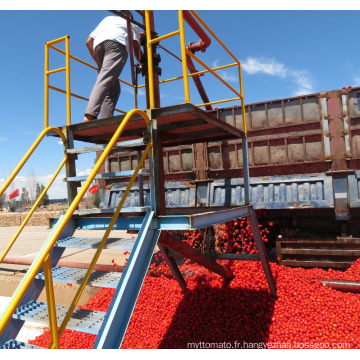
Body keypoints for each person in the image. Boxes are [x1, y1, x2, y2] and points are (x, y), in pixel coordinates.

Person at [83, 11, 143, 122]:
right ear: (129, 15)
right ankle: (89, 116)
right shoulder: (132, 23)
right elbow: (136, 48)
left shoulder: (108, 19)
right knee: (105, 79)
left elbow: (88, 42)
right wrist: (144, 63)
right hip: (116, 44)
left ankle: (105, 119)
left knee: (113, 88)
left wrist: (99, 66)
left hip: (98, 47)